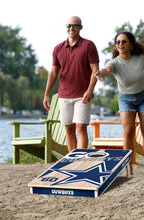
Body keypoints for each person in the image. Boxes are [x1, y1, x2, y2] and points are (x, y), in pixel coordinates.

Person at [94, 31, 144, 174]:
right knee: (128, 131)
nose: (120, 44)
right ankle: (128, 166)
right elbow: (107, 70)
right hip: (126, 99)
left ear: (131, 44)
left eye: (124, 41)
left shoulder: (141, 58)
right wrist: (100, 73)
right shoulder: (114, 63)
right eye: (118, 42)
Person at [43, 16, 99, 152]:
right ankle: (72, 160)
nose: (71, 28)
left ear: (81, 27)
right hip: (64, 95)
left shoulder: (88, 45)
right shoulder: (58, 48)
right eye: (69, 25)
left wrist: (90, 90)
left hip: (82, 95)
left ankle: (81, 159)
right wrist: (46, 95)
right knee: (69, 128)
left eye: (74, 25)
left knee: (81, 126)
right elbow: (53, 73)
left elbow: (95, 70)